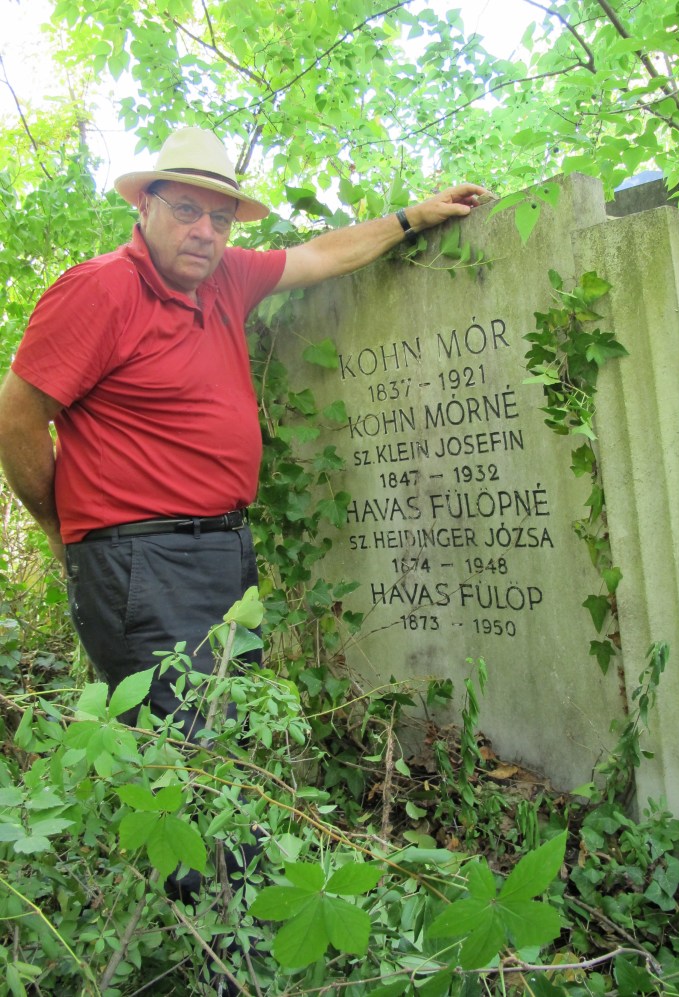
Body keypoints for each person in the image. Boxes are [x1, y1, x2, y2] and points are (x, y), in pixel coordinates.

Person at [0, 126, 486, 991]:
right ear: (146, 207)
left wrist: (415, 216)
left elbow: (320, 254)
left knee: (226, 753)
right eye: (187, 210)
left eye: (220, 217)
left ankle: (231, 929)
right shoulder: (99, 290)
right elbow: (16, 415)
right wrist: (60, 526)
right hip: (139, 561)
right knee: (191, 762)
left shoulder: (227, 275)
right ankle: (231, 959)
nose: (206, 231)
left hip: (223, 551)